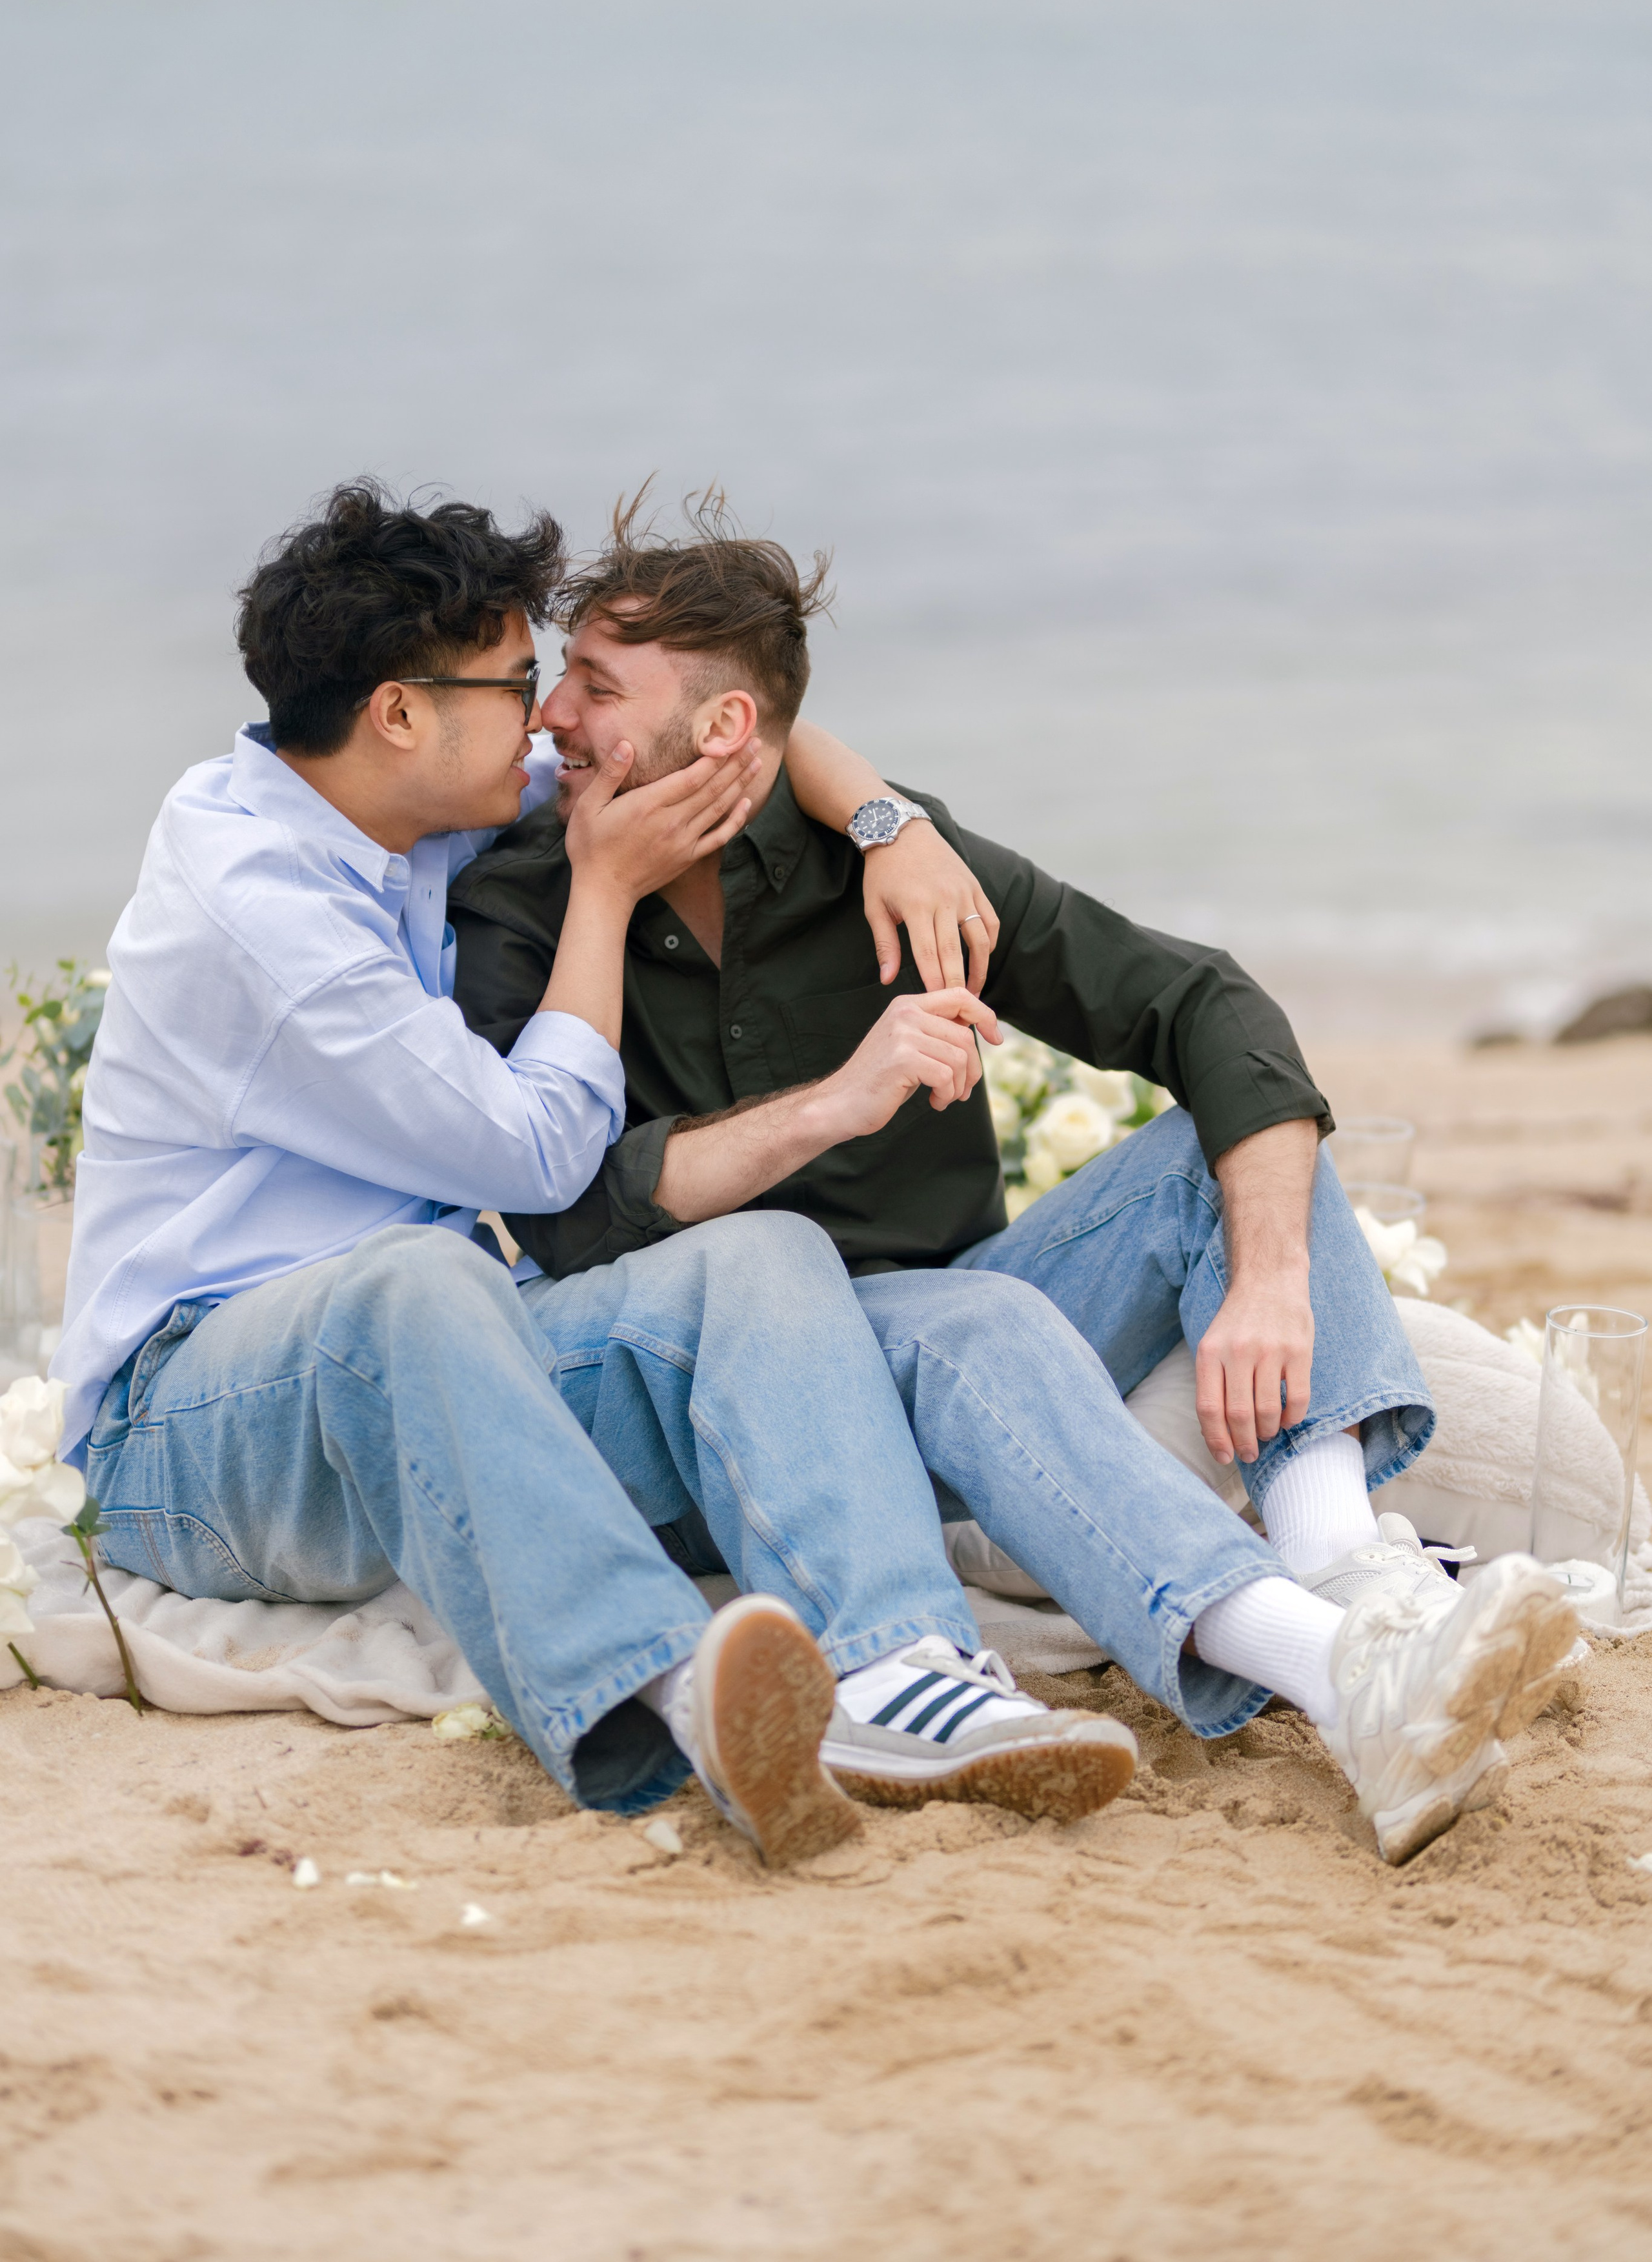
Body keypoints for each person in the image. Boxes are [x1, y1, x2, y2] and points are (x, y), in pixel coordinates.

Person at [449, 498, 1579, 1864]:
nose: (550, 715)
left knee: (1198, 1162)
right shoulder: (523, 893)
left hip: (969, 1312)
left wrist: (1268, 1279)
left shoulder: (881, 860)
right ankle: (1335, 1677)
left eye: (593, 685)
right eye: (563, 675)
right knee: (960, 1319)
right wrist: (838, 1099)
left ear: (728, 733)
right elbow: (570, 1217)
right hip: (736, 1396)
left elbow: (1199, 1006)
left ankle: (1351, 1577)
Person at [53, 480, 1145, 1868]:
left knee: (756, 1255)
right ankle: (668, 1694)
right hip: (192, 1436)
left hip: (428, 1379)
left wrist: (886, 821)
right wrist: (609, 891)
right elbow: (530, 1151)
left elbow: (723, 741)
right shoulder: (260, 911)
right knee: (415, 1280)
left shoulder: (389, 807)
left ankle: (898, 1674)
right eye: (519, 683)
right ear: (398, 712)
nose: (548, 717)